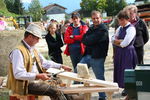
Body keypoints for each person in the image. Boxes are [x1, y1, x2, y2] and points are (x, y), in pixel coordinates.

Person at [6, 23, 72, 100]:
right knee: (55, 90)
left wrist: (61, 66)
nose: (38, 41)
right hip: (25, 84)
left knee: (59, 82)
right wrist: (38, 76)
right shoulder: (18, 51)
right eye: (37, 38)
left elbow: (44, 62)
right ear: (30, 37)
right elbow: (18, 74)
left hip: (33, 80)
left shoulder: (32, 49)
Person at [79, 10, 109, 100]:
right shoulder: (92, 28)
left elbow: (89, 40)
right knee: (78, 71)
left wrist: (89, 40)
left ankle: (102, 97)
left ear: (101, 18)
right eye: (93, 18)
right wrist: (89, 40)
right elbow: (84, 39)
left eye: (97, 18)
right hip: (87, 55)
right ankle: (77, 94)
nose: (95, 20)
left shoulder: (103, 29)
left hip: (98, 57)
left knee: (99, 78)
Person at [111, 10, 138, 96]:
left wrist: (117, 42)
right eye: (119, 20)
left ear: (127, 19)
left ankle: (129, 89)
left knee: (127, 70)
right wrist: (118, 41)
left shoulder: (131, 28)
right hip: (119, 52)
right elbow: (111, 39)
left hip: (128, 52)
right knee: (120, 69)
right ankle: (124, 87)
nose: (120, 22)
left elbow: (125, 44)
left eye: (122, 20)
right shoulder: (119, 28)